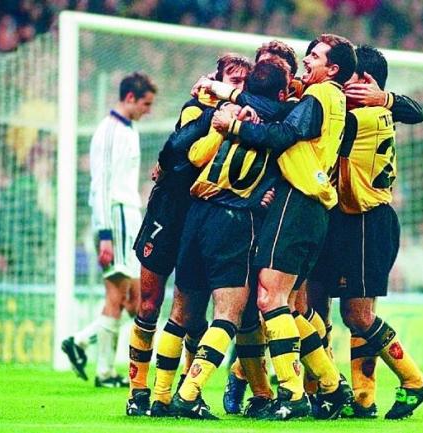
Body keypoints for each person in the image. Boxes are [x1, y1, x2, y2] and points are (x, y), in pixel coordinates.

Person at [212, 33, 357, 420]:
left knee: (269, 300)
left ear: (334, 68)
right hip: (313, 207)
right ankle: (330, 385)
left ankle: (292, 396)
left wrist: (235, 127)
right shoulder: (334, 100)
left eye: (316, 56)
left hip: (297, 201)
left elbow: (282, 134)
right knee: (290, 305)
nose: (308, 60)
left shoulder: (321, 96)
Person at [125, 54, 253, 417]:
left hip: (201, 219)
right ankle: (137, 392)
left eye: (245, 81)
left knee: (192, 314)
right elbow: (177, 150)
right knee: (149, 303)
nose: (239, 86)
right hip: (169, 211)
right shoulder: (198, 109)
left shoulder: (244, 116)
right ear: (216, 79)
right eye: (233, 78)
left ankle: (184, 391)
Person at [311, 45, 423, 420]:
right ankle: (351, 398)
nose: (335, 85)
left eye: (343, 79)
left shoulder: (367, 118)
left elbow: (321, 126)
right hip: (339, 218)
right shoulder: (375, 110)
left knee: (358, 316)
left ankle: (413, 381)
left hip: (366, 220)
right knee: (318, 306)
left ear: (364, 82)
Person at [167, 58, 291, 420]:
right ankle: (189, 394)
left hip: (196, 213)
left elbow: (191, 154)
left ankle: (158, 395)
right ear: (282, 92)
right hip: (235, 219)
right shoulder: (282, 122)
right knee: (229, 315)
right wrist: (262, 195)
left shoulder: (224, 113)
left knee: (182, 313)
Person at [61, 72, 156, 388]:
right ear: (130, 98)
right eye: (145, 103)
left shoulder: (129, 130)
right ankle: (100, 365)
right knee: (126, 296)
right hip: (115, 218)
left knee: (124, 296)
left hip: (128, 217)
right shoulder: (109, 132)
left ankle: (86, 349)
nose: (149, 110)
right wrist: (104, 234)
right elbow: (100, 185)